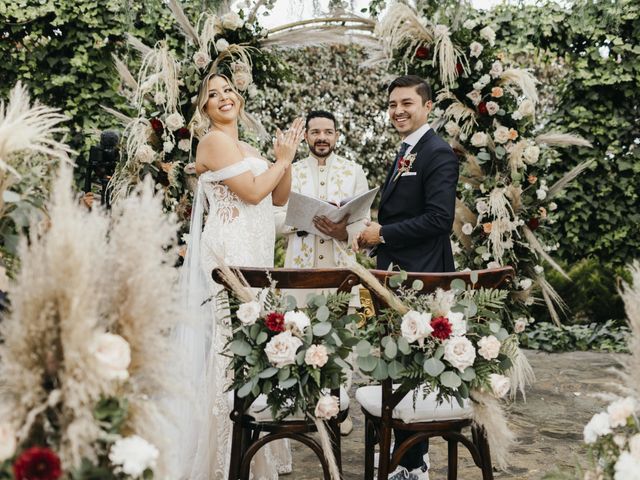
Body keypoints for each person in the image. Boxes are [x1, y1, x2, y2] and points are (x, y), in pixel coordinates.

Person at [173, 71, 304, 480]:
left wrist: (288, 158)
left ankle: (249, 448)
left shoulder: (245, 145)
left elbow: (279, 197)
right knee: (232, 351)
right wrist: (279, 161)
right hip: (230, 254)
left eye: (228, 89)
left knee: (255, 348)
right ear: (204, 108)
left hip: (257, 252)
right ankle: (222, 458)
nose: (224, 96)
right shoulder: (212, 141)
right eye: (213, 94)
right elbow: (251, 192)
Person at [355, 75, 459, 480]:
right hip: (396, 272)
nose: (398, 110)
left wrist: (384, 233)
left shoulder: (438, 153)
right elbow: (403, 215)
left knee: (416, 367)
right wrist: (374, 237)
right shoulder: (406, 151)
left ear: (427, 106)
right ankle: (405, 452)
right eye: (393, 104)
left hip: (423, 276)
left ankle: (414, 464)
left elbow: (439, 220)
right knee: (399, 365)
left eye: (407, 103)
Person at [275, 110, 369, 436]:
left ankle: (339, 410)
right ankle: (304, 408)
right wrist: (302, 220)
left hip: (340, 271)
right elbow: (273, 218)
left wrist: (344, 229)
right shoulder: (291, 171)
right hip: (300, 271)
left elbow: (362, 222)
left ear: (337, 135)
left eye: (328, 132)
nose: (322, 138)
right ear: (306, 137)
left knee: (342, 343)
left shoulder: (353, 171)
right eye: (315, 132)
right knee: (301, 339)